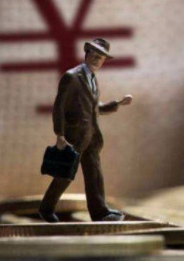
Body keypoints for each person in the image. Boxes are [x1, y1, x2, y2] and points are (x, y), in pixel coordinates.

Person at [39, 38, 133, 222]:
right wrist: (60, 134)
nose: (97, 60)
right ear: (87, 53)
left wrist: (117, 104)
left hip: (91, 137)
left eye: (101, 58)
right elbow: (59, 107)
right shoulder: (71, 77)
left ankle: (100, 213)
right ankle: (46, 208)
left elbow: (94, 108)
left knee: (94, 174)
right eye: (95, 55)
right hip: (74, 137)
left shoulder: (92, 78)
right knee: (65, 174)